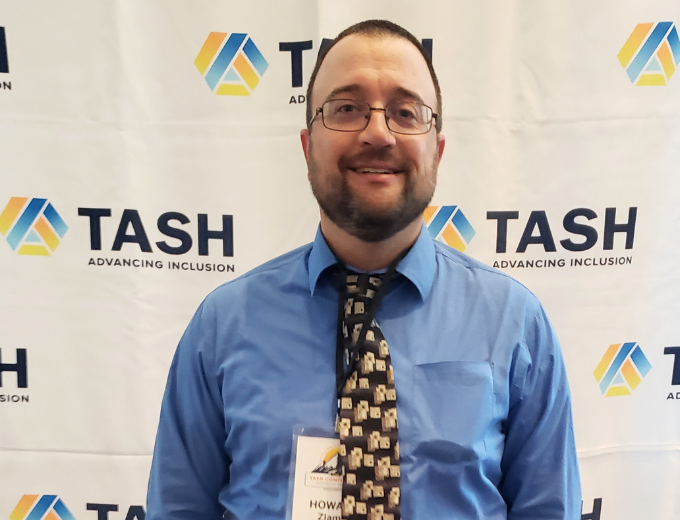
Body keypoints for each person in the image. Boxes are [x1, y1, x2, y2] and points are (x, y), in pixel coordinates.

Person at [147, 19, 580, 520]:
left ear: (437, 150)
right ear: (308, 147)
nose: (378, 133)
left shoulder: (515, 322)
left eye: (405, 111)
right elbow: (177, 508)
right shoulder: (223, 325)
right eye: (347, 108)